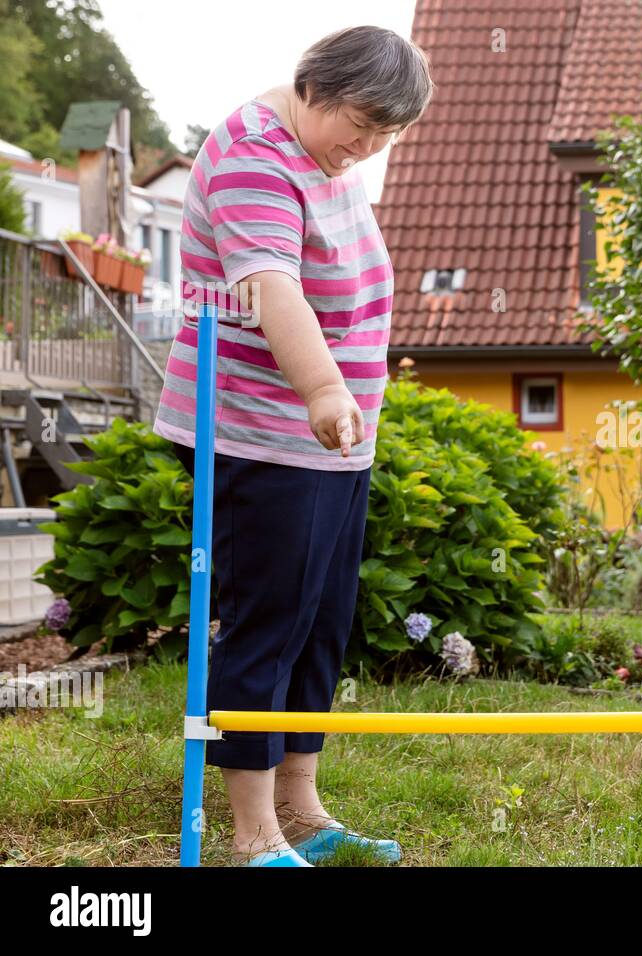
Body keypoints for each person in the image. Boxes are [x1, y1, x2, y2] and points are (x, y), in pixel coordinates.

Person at [154, 25, 433, 866]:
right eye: (365, 124)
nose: (370, 147)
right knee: (266, 625)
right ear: (316, 85)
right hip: (261, 435)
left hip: (333, 442)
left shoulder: (328, 154)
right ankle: (251, 831)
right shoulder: (252, 155)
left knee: (321, 624)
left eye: (389, 135)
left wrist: (345, 408)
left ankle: (300, 802)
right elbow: (272, 286)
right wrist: (321, 388)